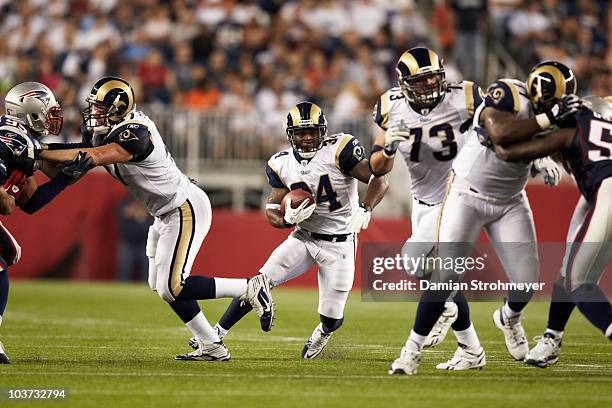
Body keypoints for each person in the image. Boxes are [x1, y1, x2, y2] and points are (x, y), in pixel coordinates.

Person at [37, 76, 274, 361]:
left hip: (183, 206)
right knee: (163, 288)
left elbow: (95, 156)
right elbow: (77, 158)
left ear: (118, 108)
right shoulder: (105, 131)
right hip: (163, 212)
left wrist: (38, 151)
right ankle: (211, 344)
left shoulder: (134, 132)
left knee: (176, 285)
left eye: (100, 107)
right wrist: (37, 159)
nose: (94, 113)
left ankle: (249, 287)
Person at [387, 60, 576, 375]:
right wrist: (547, 124)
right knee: (444, 274)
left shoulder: (556, 114)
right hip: (466, 194)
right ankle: (410, 352)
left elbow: (562, 142)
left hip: (511, 200)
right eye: (552, 101)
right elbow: (501, 133)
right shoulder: (509, 93)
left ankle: (508, 318)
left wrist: (545, 152)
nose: (556, 106)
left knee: (527, 283)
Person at [198, 101, 389, 359]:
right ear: (291, 134)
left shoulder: (340, 149)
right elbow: (272, 210)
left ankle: (322, 333)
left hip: (340, 243)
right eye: (301, 133)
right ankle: (215, 335)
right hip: (303, 237)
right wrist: (287, 218)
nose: (307, 137)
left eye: (312, 131)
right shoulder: (280, 163)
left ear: (322, 130)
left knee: (332, 317)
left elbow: (380, 179)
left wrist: (366, 207)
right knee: (258, 283)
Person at [368, 47, 486, 371]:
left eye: (433, 78)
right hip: (423, 201)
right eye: (420, 81)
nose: (428, 86)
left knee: (412, 256)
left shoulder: (465, 97)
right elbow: (377, 167)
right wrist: (388, 147)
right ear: (404, 84)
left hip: (459, 194)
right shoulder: (390, 106)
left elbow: (500, 122)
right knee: (438, 279)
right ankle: (471, 349)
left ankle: (413, 350)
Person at [494, 94, 612, 362]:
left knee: (578, 280)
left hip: (605, 189)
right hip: (594, 192)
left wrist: (536, 155)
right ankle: (552, 337)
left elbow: (508, 149)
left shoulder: (567, 128)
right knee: (568, 267)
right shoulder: (599, 111)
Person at [0, 82, 90, 364]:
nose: (52, 116)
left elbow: (30, 203)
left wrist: (65, 180)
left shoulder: (21, 142)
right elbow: (7, 204)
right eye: (48, 110)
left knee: (10, 252)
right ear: (29, 111)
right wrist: (4, 199)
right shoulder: (10, 140)